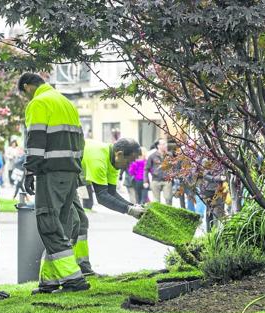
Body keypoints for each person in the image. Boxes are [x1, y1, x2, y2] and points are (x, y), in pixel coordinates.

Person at [18, 72, 90, 294]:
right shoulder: (65, 102)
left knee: (49, 224)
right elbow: (81, 141)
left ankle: (73, 279)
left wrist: (30, 170)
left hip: (51, 172)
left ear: (27, 86)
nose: (25, 99)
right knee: (61, 224)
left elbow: (36, 140)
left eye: (23, 94)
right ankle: (49, 281)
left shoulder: (39, 103)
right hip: (69, 172)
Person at [71, 138, 146, 275]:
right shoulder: (99, 157)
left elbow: (111, 193)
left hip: (71, 182)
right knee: (74, 223)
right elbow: (102, 197)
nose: (129, 166)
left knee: (81, 222)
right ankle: (69, 269)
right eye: (129, 161)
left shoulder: (114, 161)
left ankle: (83, 268)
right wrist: (130, 210)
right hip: (61, 178)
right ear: (120, 154)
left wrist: (132, 206)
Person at [143, 138, 173, 205]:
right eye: (163, 144)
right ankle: (158, 214)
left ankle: (168, 214)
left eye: (165, 144)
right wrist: (145, 181)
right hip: (155, 180)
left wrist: (173, 176)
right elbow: (146, 169)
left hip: (167, 180)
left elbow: (173, 167)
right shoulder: (152, 156)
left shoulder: (170, 155)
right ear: (158, 146)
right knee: (156, 201)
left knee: (168, 199)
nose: (165, 145)